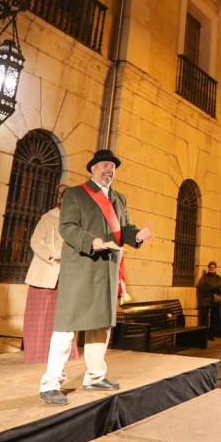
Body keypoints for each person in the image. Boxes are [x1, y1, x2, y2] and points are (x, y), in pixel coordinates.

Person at [39, 149, 152, 406]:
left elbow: (124, 229)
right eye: (103, 165)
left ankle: (95, 376)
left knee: (101, 324)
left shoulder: (119, 198)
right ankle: (50, 383)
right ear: (93, 169)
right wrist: (92, 241)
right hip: (82, 266)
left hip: (107, 269)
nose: (108, 170)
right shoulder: (76, 194)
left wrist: (137, 236)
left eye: (112, 166)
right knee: (67, 325)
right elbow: (67, 226)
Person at [23, 195, 77, 364]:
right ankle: (38, 355)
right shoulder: (48, 218)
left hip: (66, 274)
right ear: (60, 201)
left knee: (62, 316)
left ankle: (63, 354)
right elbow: (36, 241)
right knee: (40, 315)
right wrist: (52, 253)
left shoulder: (76, 221)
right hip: (46, 272)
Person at [196, 261, 221, 341]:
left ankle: (211, 334)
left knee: (215, 318)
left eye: (213, 267)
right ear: (208, 268)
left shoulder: (218, 277)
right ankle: (203, 334)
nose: (212, 269)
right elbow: (201, 288)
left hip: (215, 300)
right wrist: (211, 288)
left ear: (215, 268)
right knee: (205, 318)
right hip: (206, 300)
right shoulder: (204, 277)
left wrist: (218, 289)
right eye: (210, 267)